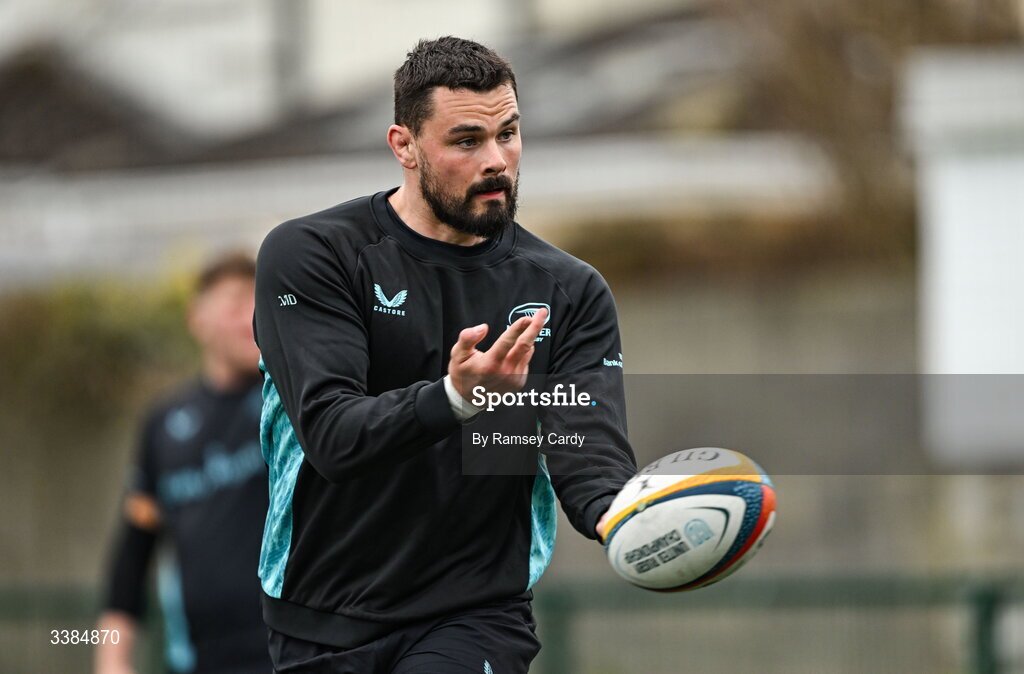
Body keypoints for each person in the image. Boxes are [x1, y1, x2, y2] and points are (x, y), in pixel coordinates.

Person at [255, 36, 637, 673]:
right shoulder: (312, 257)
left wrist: (634, 519)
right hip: (320, 612)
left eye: (509, 133)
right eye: (467, 141)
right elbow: (333, 435)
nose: (498, 160)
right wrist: (456, 398)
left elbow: (589, 454)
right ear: (404, 145)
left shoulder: (568, 291)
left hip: (476, 612)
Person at [95, 252, 271, 674]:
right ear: (198, 319)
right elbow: (136, 546)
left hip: (290, 651)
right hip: (199, 657)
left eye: (258, 302)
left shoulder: (288, 401)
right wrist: (112, 658)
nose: (249, 317)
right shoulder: (164, 424)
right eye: (233, 304)